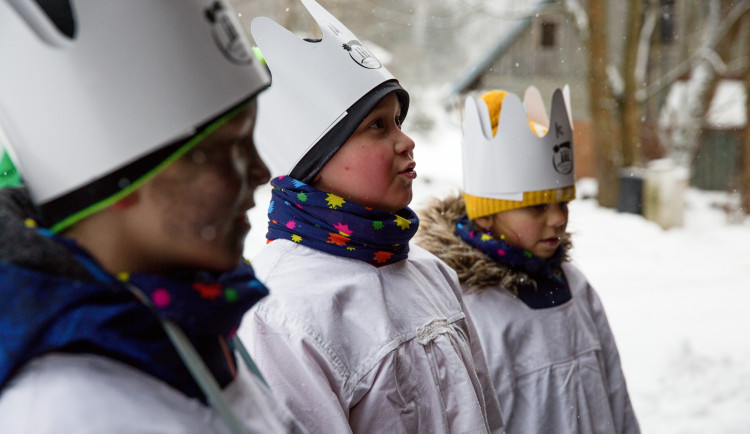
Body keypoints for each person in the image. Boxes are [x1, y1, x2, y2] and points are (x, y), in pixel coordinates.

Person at [0, 1, 304, 432]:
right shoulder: (62, 411)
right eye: (228, 148)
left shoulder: (195, 319)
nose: (261, 171)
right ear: (122, 182)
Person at [237, 0, 504, 432]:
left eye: (398, 120)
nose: (406, 141)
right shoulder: (282, 309)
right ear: (315, 160)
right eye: (377, 126)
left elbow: (487, 417)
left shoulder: (431, 272)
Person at [416, 88, 641, 433]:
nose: (558, 220)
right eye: (537, 207)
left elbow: (615, 392)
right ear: (486, 216)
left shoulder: (576, 288)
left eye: (563, 204)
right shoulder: (470, 308)